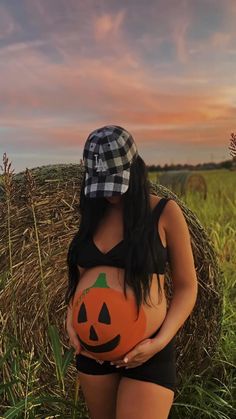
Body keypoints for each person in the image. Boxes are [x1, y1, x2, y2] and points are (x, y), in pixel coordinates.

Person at [65, 125, 198, 419]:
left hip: (148, 354)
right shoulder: (92, 217)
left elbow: (188, 287)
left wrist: (159, 341)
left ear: (135, 169)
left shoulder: (164, 212)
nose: (109, 195)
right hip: (92, 355)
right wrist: (71, 322)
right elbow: (80, 283)